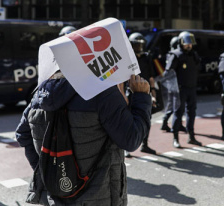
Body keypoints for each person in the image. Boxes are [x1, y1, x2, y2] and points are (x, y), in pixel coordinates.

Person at [16, 73, 151, 205]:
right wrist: (141, 97)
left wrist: (47, 172)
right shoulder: (102, 92)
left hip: (55, 196)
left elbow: (23, 135)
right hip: (100, 196)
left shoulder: (40, 95)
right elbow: (131, 139)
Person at [165, 31, 201, 148]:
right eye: (186, 43)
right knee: (178, 113)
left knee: (192, 113)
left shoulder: (194, 55)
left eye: (190, 43)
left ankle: (191, 136)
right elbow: (168, 73)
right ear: (181, 43)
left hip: (192, 88)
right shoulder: (176, 55)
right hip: (179, 90)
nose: (189, 45)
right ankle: (175, 138)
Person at [127, 32, 157, 154]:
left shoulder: (147, 57)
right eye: (136, 46)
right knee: (127, 119)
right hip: (130, 92)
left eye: (140, 45)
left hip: (145, 92)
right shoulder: (127, 58)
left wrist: (153, 94)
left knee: (146, 118)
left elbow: (151, 77)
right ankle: (126, 148)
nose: (139, 48)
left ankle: (145, 144)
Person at [160, 36, 187, 133]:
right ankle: (165, 122)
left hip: (171, 85)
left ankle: (177, 124)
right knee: (174, 106)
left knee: (175, 106)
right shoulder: (173, 55)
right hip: (173, 85)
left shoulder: (169, 54)